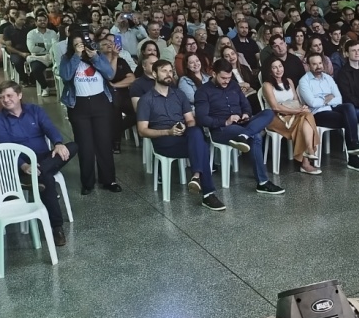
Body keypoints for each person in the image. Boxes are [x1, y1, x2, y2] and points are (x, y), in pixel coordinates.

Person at [0, 81, 78, 245]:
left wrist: (58, 143)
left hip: (45, 158)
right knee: (48, 178)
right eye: (2, 97)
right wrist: (24, 165)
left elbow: (49, 128)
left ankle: (41, 172)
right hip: (21, 164)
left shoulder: (34, 110)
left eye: (9, 95)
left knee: (72, 146)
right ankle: (57, 227)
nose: (6, 100)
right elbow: (6, 149)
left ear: (19, 95)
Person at [136, 60, 225, 210]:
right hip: (164, 141)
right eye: (164, 71)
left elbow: (190, 119)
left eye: (171, 71)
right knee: (201, 145)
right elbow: (142, 131)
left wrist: (185, 125)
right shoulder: (146, 100)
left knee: (195, 131)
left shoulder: (179, 94)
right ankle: (208, 194)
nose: (168, 74)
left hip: (183, 136)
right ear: (154, 74)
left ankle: (197, 177)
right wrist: (168, 131)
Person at [194, 59, 283, 195]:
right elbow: (202, 118)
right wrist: (226, 121)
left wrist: (246, 114)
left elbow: (246, 105)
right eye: (223, 78)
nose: (226, 81)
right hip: (221, 129)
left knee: (269, 112)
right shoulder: (203, 91)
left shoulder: (234, 85)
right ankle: (263, 182)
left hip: (242, 123)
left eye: (229, 78)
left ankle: (245, 135)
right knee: (256, 136)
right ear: (213, 73)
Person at [59, 31, 121, 195]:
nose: (82, 46)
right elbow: (65, 76)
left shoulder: (97, 56)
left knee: (104, 144)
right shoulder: (67, 59)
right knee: (85, 145)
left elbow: (110, 74)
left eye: (84, 43)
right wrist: (77, 55)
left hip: (100, 103)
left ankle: (108, 180)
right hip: (79, 105)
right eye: (77, 44)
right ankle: (87, 183)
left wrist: (94, 56)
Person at [297, 53, 359, 171]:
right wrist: (327, 99)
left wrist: (323, 100)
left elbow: (339, 98)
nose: (318, 66)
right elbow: (312, 103)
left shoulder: (328, 78)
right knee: (350, 119)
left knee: (349, 106)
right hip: (318, 114)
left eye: (320, 63)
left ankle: (353, 148)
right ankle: (353, 155)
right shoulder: (304, 81)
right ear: (309, 66)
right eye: (314, 64)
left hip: (333, 109)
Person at [261, 57, 321, 174]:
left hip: (292, 115)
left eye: (280, 66)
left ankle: (308, 153)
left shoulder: (289, 81)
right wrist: (298, 111)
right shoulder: (267, 85)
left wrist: (301, 108)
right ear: (269, 70)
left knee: (306, 116)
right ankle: (306, 159)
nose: (278, 70)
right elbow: (275, 107)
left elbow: (296, 100)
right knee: (306, 117)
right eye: (274, 67)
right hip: (275, 118)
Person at [99, 35, 136, 153]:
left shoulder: (121, 61)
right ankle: (116, 143)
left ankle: (116, 133)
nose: (109, 45)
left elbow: (131, 78)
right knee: (115, 106)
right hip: (106, 96)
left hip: (123, 94)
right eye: (104, 44)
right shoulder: (99, 62)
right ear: (99, 49)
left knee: (139, 111)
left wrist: (114, 85)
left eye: (110, 43)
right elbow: (111, 75)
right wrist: (114, 57)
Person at [26, 12, 57, 97]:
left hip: (51, 56)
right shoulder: (31, 34)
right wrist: (47, 46)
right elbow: (32, 48)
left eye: (44, 20)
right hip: (37, 57)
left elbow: (55, 46)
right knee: (35, 69)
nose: (42, 22)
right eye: (40, 20)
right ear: (36, 22)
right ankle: (45, 87)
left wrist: (39, 45)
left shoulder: (52, 33)